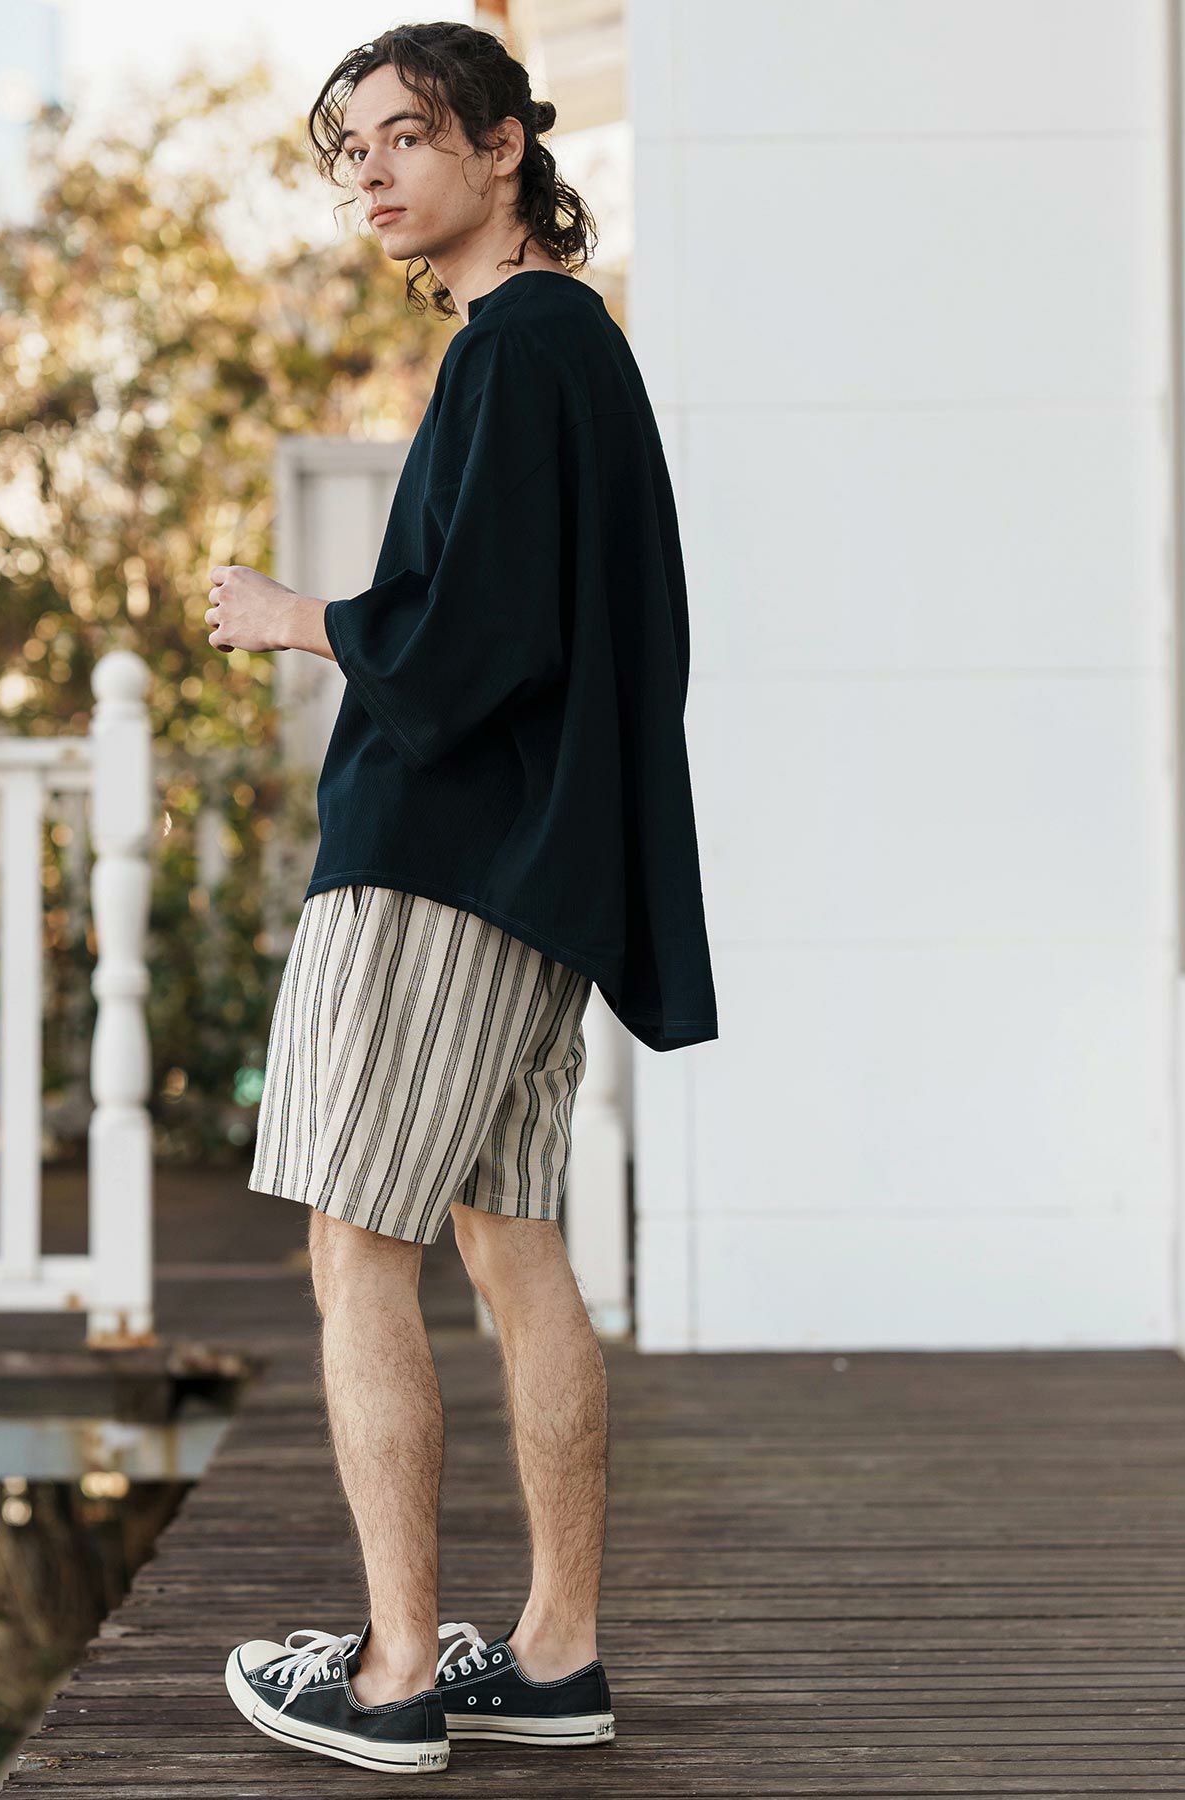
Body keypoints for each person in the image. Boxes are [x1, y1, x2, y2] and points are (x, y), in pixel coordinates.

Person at [208, 20, 717, 1776]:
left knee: (357, 1249)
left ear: (506, 148)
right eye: (350, 145)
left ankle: (394, 1676)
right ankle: (557, 1658)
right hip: (533, 874)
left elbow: (478, 636)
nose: (370, 168)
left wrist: (300, 619)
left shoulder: (521, 346)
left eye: (408, 134)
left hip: (435, 864)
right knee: (513, 1246)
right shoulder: (570, 350)